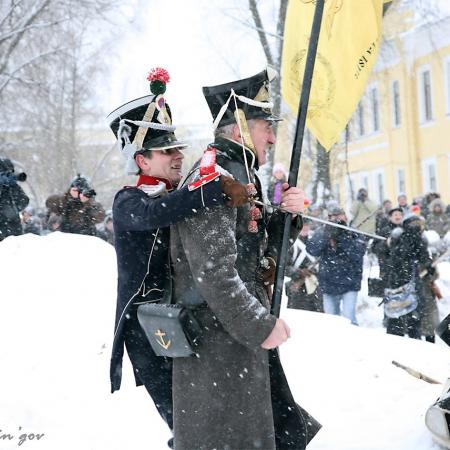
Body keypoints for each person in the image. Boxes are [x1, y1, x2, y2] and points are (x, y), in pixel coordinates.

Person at [170, 69, 320, 450]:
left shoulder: (239, 174)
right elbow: (214, 272)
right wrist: (258, 325)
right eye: (264, 126)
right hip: (218, 347)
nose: (272, 136)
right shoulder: (213, 178)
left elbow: (260, 259)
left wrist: (287, 218)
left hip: (236, 344)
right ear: (238, 127)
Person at [107, 68, 249, 448]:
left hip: (181, 321)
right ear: (141, 161)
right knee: (186, 422)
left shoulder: (176, 196)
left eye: (177, 149)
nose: (177, 156)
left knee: (204, 415)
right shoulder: (128, 201)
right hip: (148, 328)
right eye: (166, 151)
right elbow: (158, 213)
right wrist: (210, 191)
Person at [306, 206, 366, 325]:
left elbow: (357, 254)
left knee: (349, 319)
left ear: (345, 216)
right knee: (331, 321)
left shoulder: (354, 232)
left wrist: (342, 236)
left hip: (350, 283)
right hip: (328, 283)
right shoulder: (323, 231)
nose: (336, 218)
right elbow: (312, 250)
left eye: (339, 215)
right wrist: (326, 235)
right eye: (332, 216)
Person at [384, 214, 433, 339]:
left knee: (410, 317)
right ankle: (400, 339)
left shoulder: (417, 238)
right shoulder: (402, 236)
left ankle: (410, 339)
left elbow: (423, 257)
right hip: (401, 281)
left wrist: (428, 265)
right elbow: (399, 256)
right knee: (401, 317)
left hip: (408, 281)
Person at [285, 221, 323, 312]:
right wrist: (299, 272)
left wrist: (314, 270)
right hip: (297, 287)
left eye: (307, 224)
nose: (305, 227)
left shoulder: (315, 242)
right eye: (303, 225)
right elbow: (284, 268)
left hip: (315, 286)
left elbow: (322, 262)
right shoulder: (292, 243)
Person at [0, 157, 29, 241]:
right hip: (11, 223)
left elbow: (24, 200)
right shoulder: (12, 186)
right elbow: (24, 200)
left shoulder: (11, 186)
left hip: (10, 223)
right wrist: (13, 209)